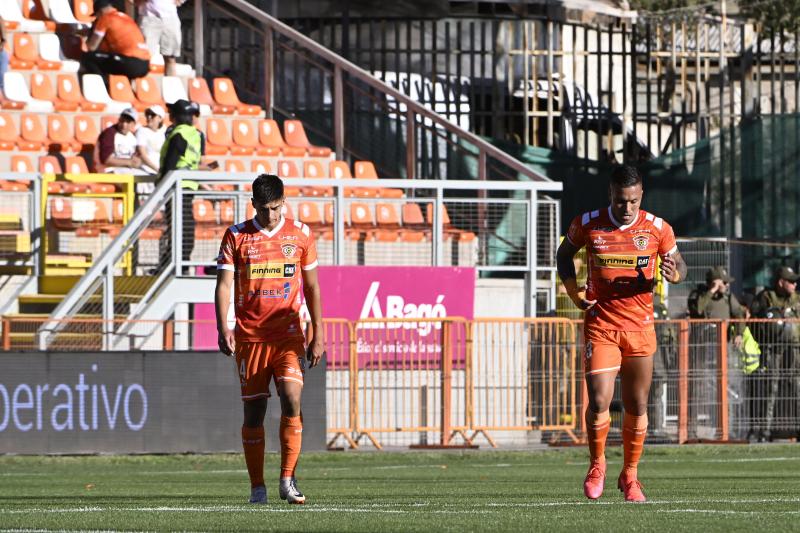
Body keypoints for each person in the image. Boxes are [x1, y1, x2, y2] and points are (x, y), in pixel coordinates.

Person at [556, 164, 687, 502]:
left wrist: (675, 274)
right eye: (619, 201)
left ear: (640, 196)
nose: (626, 208)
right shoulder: (587, 224)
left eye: (632, 201)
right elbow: (563, 254)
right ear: (610, 195)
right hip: (601, 327)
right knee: (599, 399)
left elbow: (680, 265)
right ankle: (596, 464)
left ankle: (630, 475)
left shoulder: (659, 228)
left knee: (637, 404)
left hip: (640, 329)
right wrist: (574, 293)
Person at [214, 174, 325, 504]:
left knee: (292, 397)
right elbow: (223, 285)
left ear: (284, 202)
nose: (271, 216)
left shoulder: (300, 234)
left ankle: (288, 479)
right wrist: (224, 327)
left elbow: (313, 287)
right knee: (255, 413)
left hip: (289, 334)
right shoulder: (236, 236)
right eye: (264, 210)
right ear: (253, 206)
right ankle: (257, 487)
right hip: (250, 338)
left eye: (276, 208)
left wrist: (319, 333)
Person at [688, 266, 749, 439]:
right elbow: (698, 310)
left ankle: (724, 430)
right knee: (699, 390)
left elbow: (739, 314)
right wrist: (711, 291)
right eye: (723, 282)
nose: (726, 286)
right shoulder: (698, 295)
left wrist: (738, 333)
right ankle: (692, 431)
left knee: (725, 390)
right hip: (701, 351)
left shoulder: (729, 298)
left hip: (723, 351)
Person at [749, 266, 800, 441]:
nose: (794, 284)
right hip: (773, 350)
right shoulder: (765, 298)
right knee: (771, 389)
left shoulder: (797, 299)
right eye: (791, 281)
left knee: (797, 388)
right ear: (781, 282)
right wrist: (763, 342)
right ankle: (765, 432)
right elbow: (753, 323)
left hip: (794, 349)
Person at [158, 99, 201, 270]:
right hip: (189, 185)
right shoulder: (195, 134)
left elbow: (170, 164)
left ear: (175, 116)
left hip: (175, 187)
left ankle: (172, 264)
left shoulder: (178, 134)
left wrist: (160, 185)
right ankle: (181, 261)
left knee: (176, 226)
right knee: (185, 224)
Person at [80, 0, 150, 83]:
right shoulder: (125, 17)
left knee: (88, 57)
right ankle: (121, 88)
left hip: (130, 62)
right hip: (145, 64)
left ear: (100, 12)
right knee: (109, 59)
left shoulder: (105, 18)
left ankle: (104, 85)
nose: (97, 19)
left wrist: (83, 38)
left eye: (97, 16)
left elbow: (91, 47)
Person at [128, 0, 185, 76]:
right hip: (148, 18)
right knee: (143, 58)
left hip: (170, 18)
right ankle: (142, 87)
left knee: (170, 57)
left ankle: (170, 86)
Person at [94, 107, 147, 174]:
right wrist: (129, 162)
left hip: (127, 170)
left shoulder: (132, 137)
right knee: (138, 180)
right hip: (109, 171)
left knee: (148, 178)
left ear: (134, 124)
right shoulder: (109, 134)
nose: (124, 124)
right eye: (122, 120)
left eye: (128, 122)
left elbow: (135, 157)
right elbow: (106, 160)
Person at [136, 104, 166, 174]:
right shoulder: (141, 131)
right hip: (145, 170)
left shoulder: (163, 132)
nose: (149, 117)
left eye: (152, 115)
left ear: (160, 118)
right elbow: (142, 154)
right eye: (147, 114)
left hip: (159, 171)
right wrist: (157, 169)